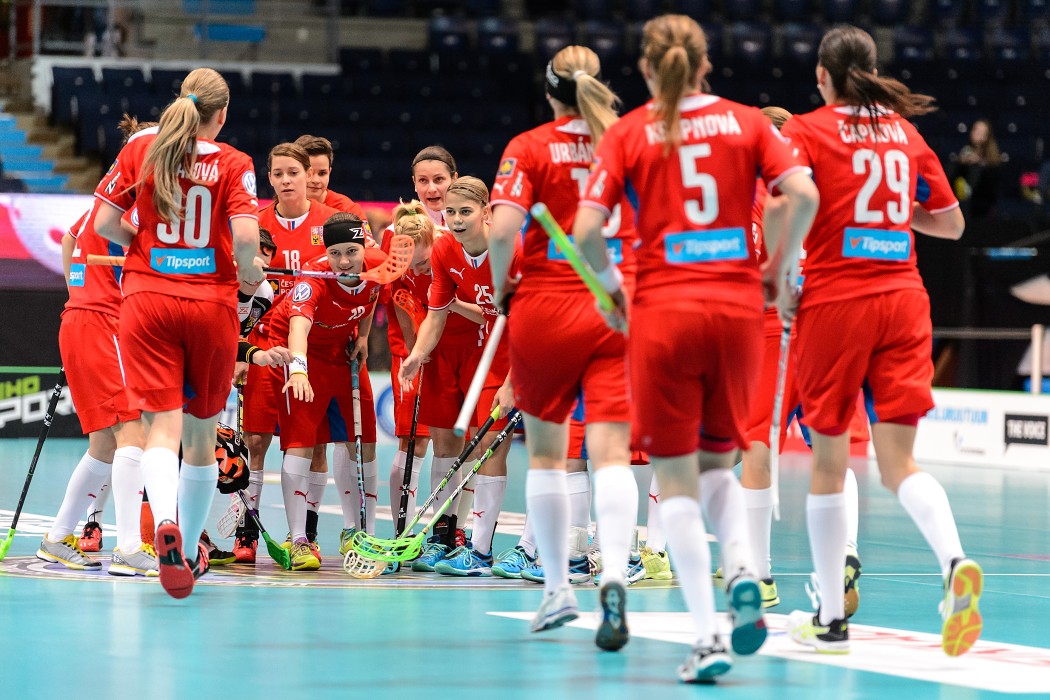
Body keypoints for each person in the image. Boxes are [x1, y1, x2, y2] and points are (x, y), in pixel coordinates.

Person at [572, 15, 819, 682]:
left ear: (648, 69)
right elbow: (804, 192)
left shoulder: (628, 132)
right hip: (740, 311)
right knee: (720, 465)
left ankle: (709, 634)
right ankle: (743, 565)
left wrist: (611, 288)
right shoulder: (748, 122)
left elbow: (587, 225)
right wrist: (779, 270)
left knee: (677, 478)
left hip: (663, 311)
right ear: (707, 62)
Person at [779, 25, 982, 657]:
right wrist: (894, 218)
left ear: (821, 76)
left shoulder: (806, 131)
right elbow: (951, 224)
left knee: (829, 461)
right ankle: (954, 566)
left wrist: (779, 276)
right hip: (904, 300)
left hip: (838, 302)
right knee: (900, 464)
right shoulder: (905, 132)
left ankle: (831, 620)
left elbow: (788, 206)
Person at [487, 44, 641, 650]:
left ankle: (556, 589)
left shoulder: (529, 146)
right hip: (612, 302)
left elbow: (502, 230)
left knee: (549, 457)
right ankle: (614, 579)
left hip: (546, 303)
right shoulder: (628, 140)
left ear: (549, 91)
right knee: (611, 451)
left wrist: (504, 291)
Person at [93, 68, 267, 599]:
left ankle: (162, 520)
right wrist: (252, 272)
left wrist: (143, 242)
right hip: (210, 303)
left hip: (146, 300)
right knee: (200, 436)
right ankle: (189, 547)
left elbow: (102, 223)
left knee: (159, 427)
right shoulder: (235, 162)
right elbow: (244, 238)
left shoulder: (143, 146)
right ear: (223, 113)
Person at [35, 115, 152, 576]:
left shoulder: (100, 206)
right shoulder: (138, 209)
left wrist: (76, 292)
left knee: (105, 441)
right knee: (133, 435)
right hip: (102, 324)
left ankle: (56, 538)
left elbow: (69, 240)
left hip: (85, 318)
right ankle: (128, 548)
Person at [398, 177, 518, 575]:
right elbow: (439, 310)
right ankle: (457, 543)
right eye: (450, 212)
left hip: (520, 352)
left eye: (465, 212)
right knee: (475, 443)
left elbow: (533, 321)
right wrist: (417, 354)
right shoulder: (445, 248)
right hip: (487, 348)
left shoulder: (511, 250)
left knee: (491, 445)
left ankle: (484, 551)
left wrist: (515, 380)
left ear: (487, 212)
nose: (456, 220)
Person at [259, 213, 385, 570]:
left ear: (364, 248)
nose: (343, 261)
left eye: (351, 251)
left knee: (364, 442)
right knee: (300, 443)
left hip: (343, 354)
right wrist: (297, 371)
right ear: (325, 252)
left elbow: (373, 293)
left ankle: (361, 532)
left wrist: (362, 335)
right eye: (334, 253)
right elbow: (298, 326)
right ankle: (299, 539)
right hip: (301, 353)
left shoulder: (378, 266)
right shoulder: (314, 279)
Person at [240, 142, 339, 560]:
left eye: (293, 173)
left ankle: (307, 534)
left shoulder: (332, 223)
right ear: (270, 179)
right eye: (277, 174)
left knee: (313, 445)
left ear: (306, 175)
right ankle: (246, 533)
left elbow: (363, 276)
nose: (286, 181)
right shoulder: (253, 224)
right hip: (263, 346)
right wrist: (239, 353)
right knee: (254, 440)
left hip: (312, 349)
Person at [379, 200, 437, 553]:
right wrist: (415, 355)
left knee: (449, 443)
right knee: (410, 440)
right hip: (413, 352)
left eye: (423, 262)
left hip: (450, 352)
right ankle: (403, 534)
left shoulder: (446, 251)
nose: (417, 267)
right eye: (411, 261)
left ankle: (450, 532)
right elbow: (402, 310)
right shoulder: (399, 263)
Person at [294, 134, 375, 242]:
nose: (315, 180)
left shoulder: (348, 211)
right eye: (309, 173)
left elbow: (372, 252)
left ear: (330, 172)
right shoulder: (279, 211)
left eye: (322, 173)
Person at [951, 118, 1000, 220]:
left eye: (982, 132)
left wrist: (979, 162)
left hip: (983, 200)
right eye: (976, 130)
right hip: (964, 200)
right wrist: (962, 163)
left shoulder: (992, 156)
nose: (977, 134)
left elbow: (993, 181)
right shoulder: (965, 151)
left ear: (987, 135)